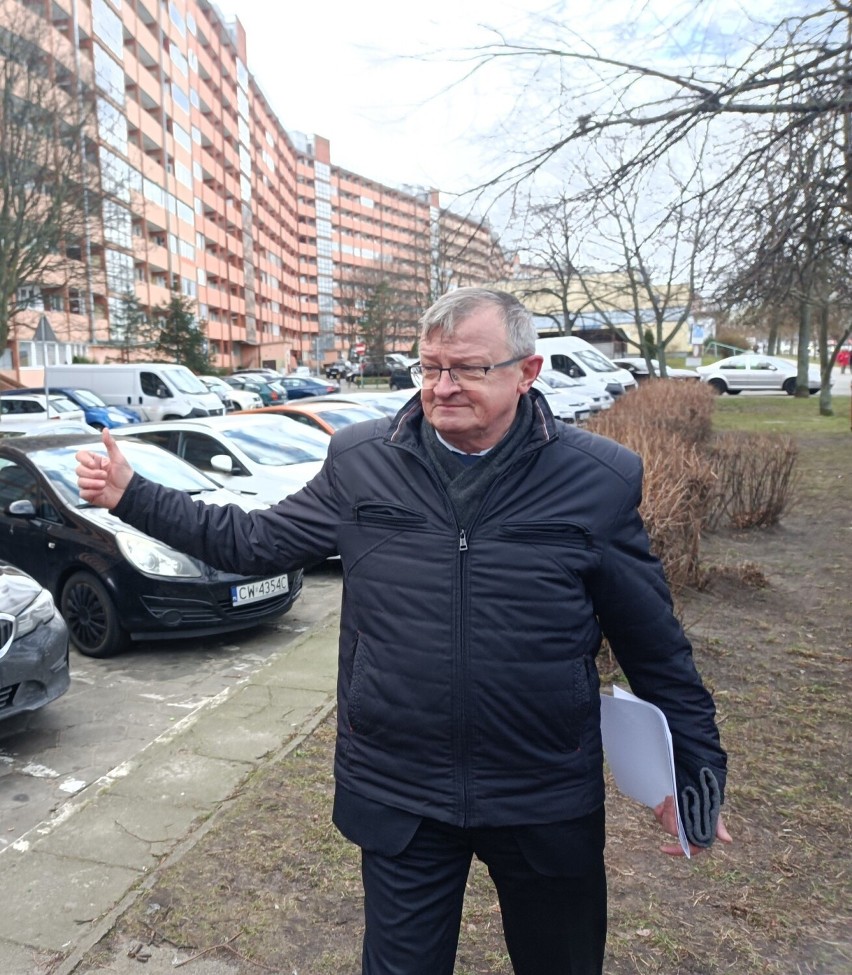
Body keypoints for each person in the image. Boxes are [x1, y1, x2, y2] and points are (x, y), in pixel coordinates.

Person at [77, 288, 730, 975]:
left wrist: (696, 767)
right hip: (399, 790)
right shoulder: (362, 461)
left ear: (527, 372)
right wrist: (132, 493)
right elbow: (253, 540)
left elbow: (651, 640)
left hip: (541, 791)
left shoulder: (596, 479)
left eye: (467, 369)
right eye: (429, 367)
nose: (441, 388)